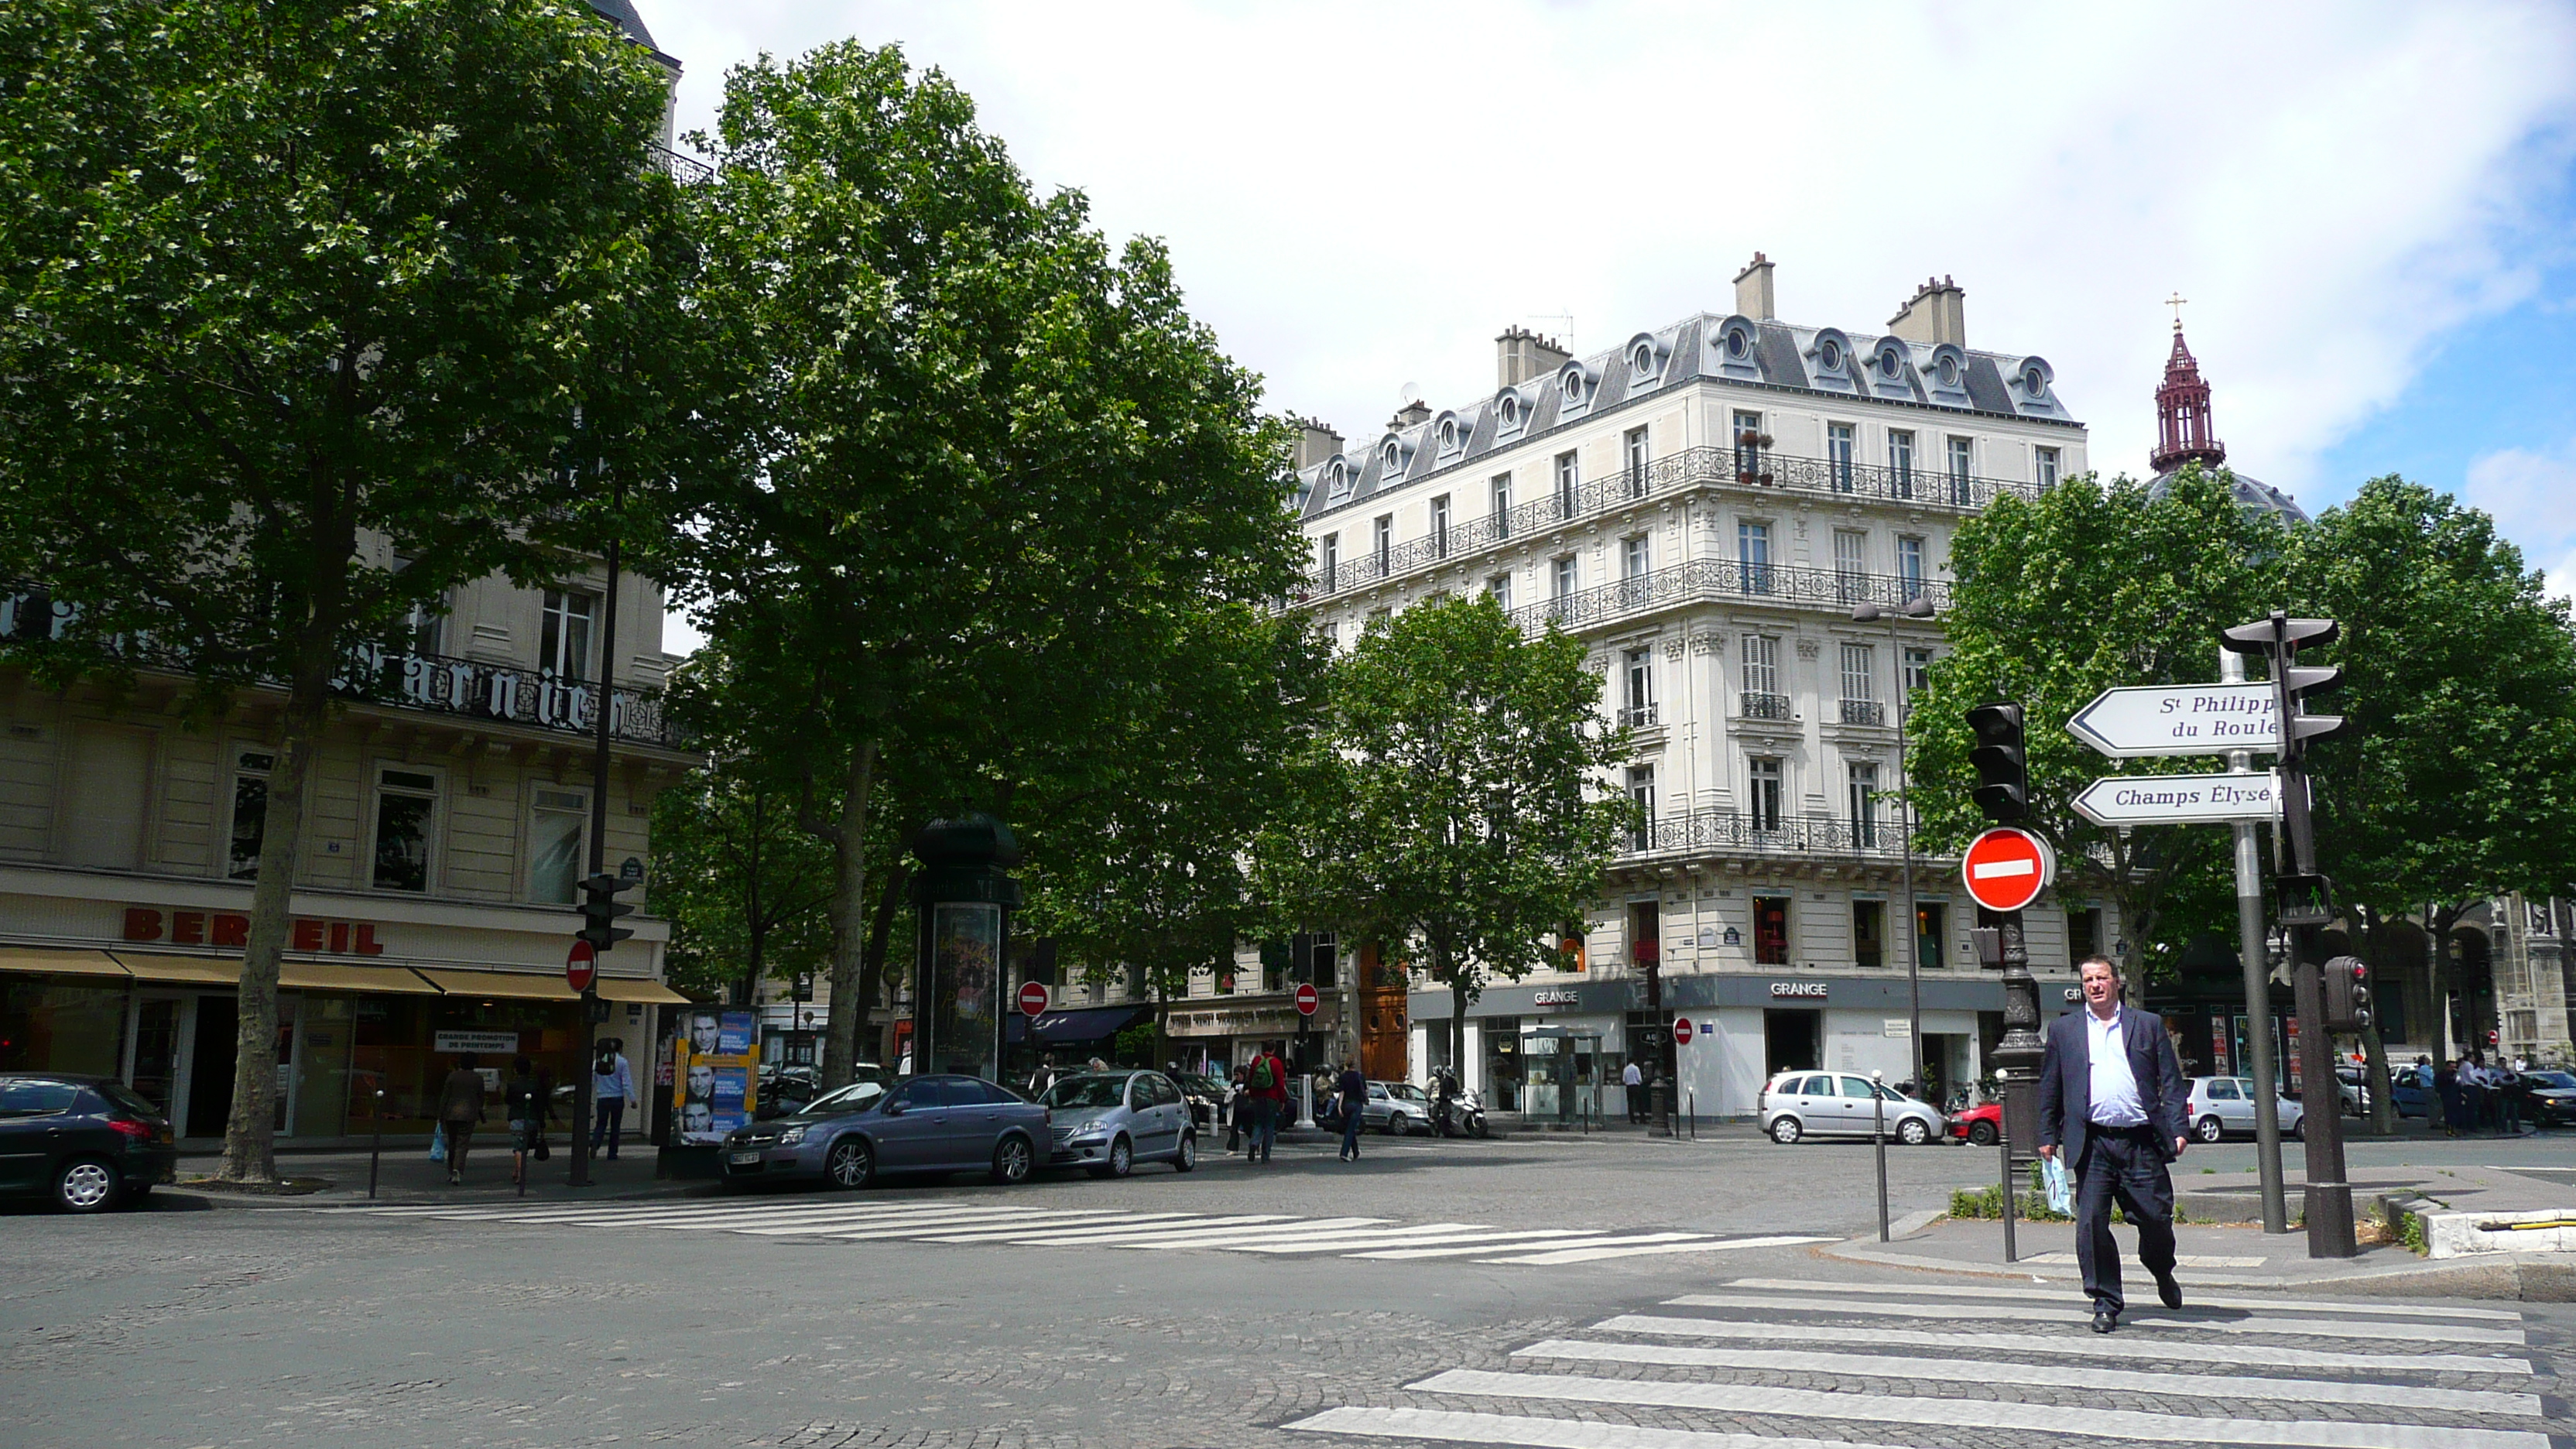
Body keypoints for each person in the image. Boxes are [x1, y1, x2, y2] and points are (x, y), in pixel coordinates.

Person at [2037, 956, 2188, 1334]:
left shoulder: (2147, 1025)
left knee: (2156, 1219)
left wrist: (2178, 1128)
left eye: (2101, 977)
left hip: (2141, 1141)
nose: (2095, 985)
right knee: (2090, 1224)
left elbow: (2170, 1081)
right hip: (2093, 1142)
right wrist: (2046, 1136)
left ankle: (2160, 1268)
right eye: (2088, 979)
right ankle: (2105, 1302)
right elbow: (2050, 1086)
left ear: (2116, 982)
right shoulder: (2064, 1030)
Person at [435, 1053, 487, 1187]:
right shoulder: (478, 1079)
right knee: (462, 1144)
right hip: (469, 1114)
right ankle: (457, 1170)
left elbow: (444, 1097)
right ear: (474, 1064)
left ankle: (450, 1170)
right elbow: (481, 1097)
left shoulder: (452, 1076)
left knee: (452, 1142)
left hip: (451, 1114)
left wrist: (440, 1116)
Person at [592, 1040, 636, 1160]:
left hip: (602, 1097)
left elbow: (593, 1079)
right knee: (615, 1127)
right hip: (617, 1098)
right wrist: (632, 1099)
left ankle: (595, 1143)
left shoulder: (599, 1061)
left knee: (601, 1124)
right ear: (620, 1048)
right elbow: (626, 1082)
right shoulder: (622, 1062)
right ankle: (612, 1153)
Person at [504, 1056, 542, 1191]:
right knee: (525, 1146)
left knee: (518, 1147)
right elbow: (540, 1103)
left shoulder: (512, 1085)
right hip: (532, 1119)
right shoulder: (535, 1084)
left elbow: (507, 1100)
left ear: (515, 1070)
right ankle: (516, 1171)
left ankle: (521, 1174)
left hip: (517, 1118)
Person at [1245, 1044, 1287, 1163]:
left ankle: (1254, 1143)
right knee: (1269, 1126)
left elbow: (1251, 1079)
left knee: (1258, 1123)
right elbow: (1280, 1084)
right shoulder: (1276, 1063)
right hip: (1271, 1098)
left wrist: (1253, 1095)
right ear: (1273, 1049)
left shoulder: (1256, 1061)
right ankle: (1265, 1155)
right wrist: (1282, 1100)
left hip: (1258, 1097)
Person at [1337, 1059, 1368, 1162]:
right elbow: (1365, 1090)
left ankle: (1356, 1151)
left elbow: (1342, 1092)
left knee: (1350, 1127)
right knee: (1351, 1128)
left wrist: (1339, 1106)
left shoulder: (1343, 1076)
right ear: (1355, 1065)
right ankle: (1344, 1153)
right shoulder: (1360, 1076)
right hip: (1357, 1104)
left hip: (1346, 1104)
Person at [2436, 1058, 2465, 1137]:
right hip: (2447, 1096)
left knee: (2455, 1114)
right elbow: (2442, 1083)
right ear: (2447, 1067)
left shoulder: (2454, 1074)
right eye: (2452, 1067)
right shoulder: (2442, 1075)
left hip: (2455, 1096)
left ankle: (2454, 1129)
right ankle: (2449, 1130)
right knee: (2449, 1114)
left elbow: (2458, 1086)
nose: (2453, 1069)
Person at [1622, 1058, 1645, 1125]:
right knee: (1639, 1103)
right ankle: (1642, 1119)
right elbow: (1639, 1079)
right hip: (1635, 1086)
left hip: (1629, 1087)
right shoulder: (1636, 1068)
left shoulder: (1625, 1069)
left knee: (1630, 1103)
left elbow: (1624, 1080)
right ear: (1634, 1061)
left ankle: (1632, 1120)